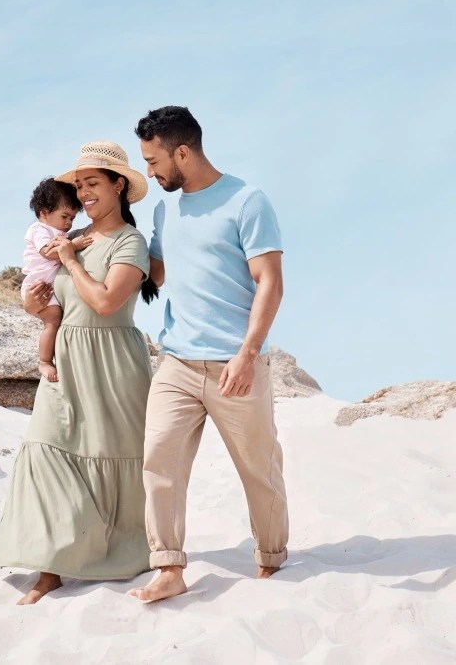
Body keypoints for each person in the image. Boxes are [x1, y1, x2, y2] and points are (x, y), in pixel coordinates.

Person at [129, 106, 289, 602]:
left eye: (154, 162)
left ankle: (271, 560)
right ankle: (169, 567)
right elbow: (152, 271)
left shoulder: (246, 201)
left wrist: (248, 354)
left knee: (258, 468)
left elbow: (270, 283)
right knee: (158, 460)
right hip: (176, 362)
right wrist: (86, 246)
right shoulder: (164, 210)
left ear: (183, 151)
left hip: (234, 365)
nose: (151, 174)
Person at [0, 141, 157, 605]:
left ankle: (116, 553)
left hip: (113, 363)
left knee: (111, 455)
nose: (83, 194)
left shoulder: (130, 242)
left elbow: (106, 302)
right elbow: (54, 300)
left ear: (118, 185)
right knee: (47, 449)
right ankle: (50, 567)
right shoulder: (69, 237)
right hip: (67, 358)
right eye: (79, 185)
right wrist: (32, 303)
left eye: (92, 184)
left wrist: (68, 261)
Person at [21, 178, 93, 382]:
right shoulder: (39, 230)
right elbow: (48, 252)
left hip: (48, 284)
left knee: (57, 322)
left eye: (72, 218)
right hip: (39, 283)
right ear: (44, 212)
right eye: (65, 216)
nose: (69, 223)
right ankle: (44, 361)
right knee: (52, 322)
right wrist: (74, 246)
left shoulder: (61, 232)